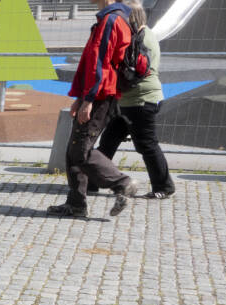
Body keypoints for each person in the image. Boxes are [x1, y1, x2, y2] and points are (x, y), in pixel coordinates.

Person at [47, 0, 137, 219]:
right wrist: (80, 97)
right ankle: (76, 204)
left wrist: (88, 99)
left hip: (100, 96)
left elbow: (101, 64)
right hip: (97, 94)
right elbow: (92, 63)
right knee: (73, 149)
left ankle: (122, 183)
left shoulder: (111, 20)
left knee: (80, 150)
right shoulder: (110, 18)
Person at [96, 0, 176, 199]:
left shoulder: (140, 39)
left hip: (141, 100)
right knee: (108, 141)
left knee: (146, 144)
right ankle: (92, 181)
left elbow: (136, 71)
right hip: (129, 101)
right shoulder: (144, 34)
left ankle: (164, 187)